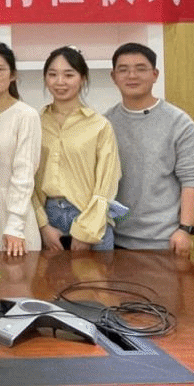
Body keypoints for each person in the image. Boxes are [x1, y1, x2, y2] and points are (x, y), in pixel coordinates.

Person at [106, 42, 194, 257]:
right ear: (113, 77)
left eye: (140, 68)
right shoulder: (105, 123)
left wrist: (185, 229)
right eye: (123, 69)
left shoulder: (179, 123)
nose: (132, 75)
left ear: (155, 74)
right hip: (114, 237)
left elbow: (192, 178)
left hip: (164, 240)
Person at [34, 46, 121, 252]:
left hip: (90, 218)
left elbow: (107, 184)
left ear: (82, 78)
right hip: (48, 219)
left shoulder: (99, 125)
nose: (60, 82)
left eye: (69, 75)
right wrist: (43, 225)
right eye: (53, 75)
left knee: (96, 274)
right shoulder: (35, 122)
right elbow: (27, 179)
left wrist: (86, 231)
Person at [0, 43, 42, 256]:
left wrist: (15, 225)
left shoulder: (26, 115)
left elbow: (24, 173)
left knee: (13, 276)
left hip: (12, 213)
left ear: (12, 75)